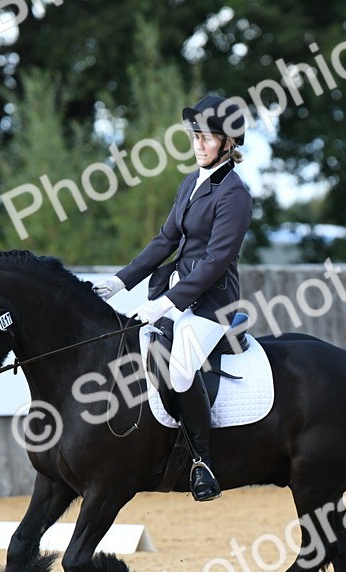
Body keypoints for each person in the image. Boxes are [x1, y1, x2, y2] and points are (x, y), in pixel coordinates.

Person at [94, 95, 253, 502]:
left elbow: (217, 260)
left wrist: (167, 303)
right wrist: (118, 281)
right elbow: (165, 240)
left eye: (207, 138)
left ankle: (203, 462)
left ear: (228, 143)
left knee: (181, 368)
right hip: (176, 291)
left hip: (212, 303)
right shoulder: (191, 182)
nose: (199, 144)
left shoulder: (234, 193)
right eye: (196, 136)